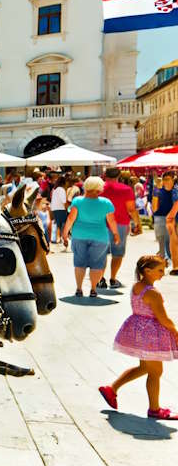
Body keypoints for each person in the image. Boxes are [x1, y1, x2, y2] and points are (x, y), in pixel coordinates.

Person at [99, 255, 178, 419]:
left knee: (145, 368)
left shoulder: (137, 286)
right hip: (151, 336)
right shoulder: (153, 293)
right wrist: (175, 331)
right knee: (155, 372)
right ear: (147, 271)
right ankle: (154, 410)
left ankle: (111, 389)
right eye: (160, 270)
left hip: (139, 332)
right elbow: (163, 318)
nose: (163, 273)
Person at [61, 176, 120, 297]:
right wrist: (116, 234)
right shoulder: (106, 202)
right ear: (99, 188)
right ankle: (93, 289)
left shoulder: (77, 201)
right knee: (97, 264)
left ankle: (79, 289)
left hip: (79, 235)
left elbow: (71, 218)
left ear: (86, 187)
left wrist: (65, 233)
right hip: (100, 237)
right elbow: (112, 221)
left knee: (80, 263)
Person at [100, 167, 141, 290]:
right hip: (121, 224)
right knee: (117, 254)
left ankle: (100, 279)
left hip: (100, 224)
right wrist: (137, 223)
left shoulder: (98, 188)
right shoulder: (126, 189)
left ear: (105, 175)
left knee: (101, 254)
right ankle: (113, 279)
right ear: (119, 176)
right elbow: (131, 209)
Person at [154, 172, 177, 265]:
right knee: (162, 240)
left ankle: (172, 260)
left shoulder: (175, 190)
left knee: (171, 240)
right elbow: (154, 207)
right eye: (164, 179)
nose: (165, 182)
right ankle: (164, 260)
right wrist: (156, 192)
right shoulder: (158, 190)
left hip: (172, 218)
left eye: (168, 179)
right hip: (160, 216)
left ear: (173, 179)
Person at [50, 176, 69, 245]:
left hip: (54, 208)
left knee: (58, 224)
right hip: (61, 209)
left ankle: (58, 238)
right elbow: (64, 201)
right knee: (63, 224)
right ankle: (63, 239)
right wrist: (67, 208)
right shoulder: (61, 189)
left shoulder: (54, 189)